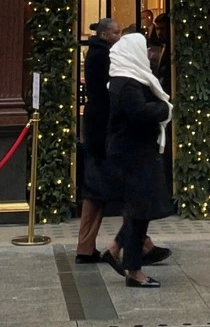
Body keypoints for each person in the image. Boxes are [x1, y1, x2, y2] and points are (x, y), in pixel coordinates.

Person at [103, 30, 173, 288]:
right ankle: (134, 270)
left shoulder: (127, 79)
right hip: (133, 154)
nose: (147, 54)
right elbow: (139, 113)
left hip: (135, 152)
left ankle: (118, 251)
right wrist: (164, 108)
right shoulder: (128, 83)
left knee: (139, 211)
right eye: (143, 49)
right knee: (139, 211)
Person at [75, 17, 118, 263]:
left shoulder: (96, 53)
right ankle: (140, 244)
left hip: (96, 127)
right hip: (102, 130)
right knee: (104, 190)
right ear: (104, 35)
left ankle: (86, 246)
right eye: (115, 32)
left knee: (97, 191)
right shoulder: (103, 57)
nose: (118, 36)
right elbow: (106, 92)